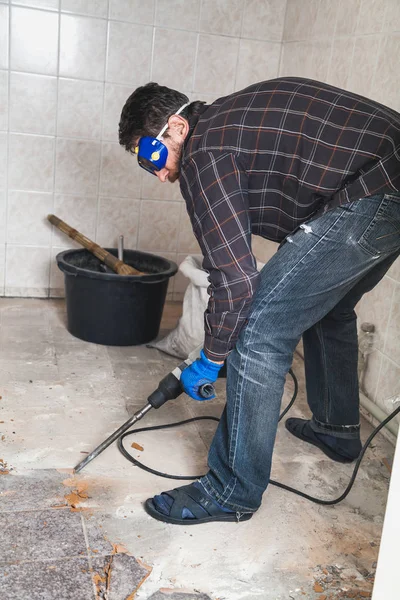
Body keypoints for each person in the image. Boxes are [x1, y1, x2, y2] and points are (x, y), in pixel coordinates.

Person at [119, 78, 400, 525]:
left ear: (177, 126)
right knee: (330, 308)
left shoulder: (203, 153)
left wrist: (212, 357)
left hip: (374, 189)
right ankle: (337, 429)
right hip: (388, 178)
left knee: (259, 331)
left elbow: (236, 280)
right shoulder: (225, 125)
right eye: (142, 163)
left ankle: (231, 490)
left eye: (153, 153)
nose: (157, 172)